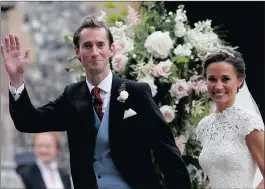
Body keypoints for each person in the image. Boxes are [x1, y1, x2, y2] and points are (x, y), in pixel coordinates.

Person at [1, 16, 191, 189]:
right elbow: (28, 121)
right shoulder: (72, 96)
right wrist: (17, 79)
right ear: (77, 52)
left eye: (100, 45)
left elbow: (167, 154)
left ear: (112, 50)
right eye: (87, 46)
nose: (94, 52)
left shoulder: (137, 94)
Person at [196, 48, 264, 188]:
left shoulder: (248, 122)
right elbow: (219, 174)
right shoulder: (204, 126)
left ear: (239, 81)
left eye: (225, 79)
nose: (218, 86)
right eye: (212, 79)